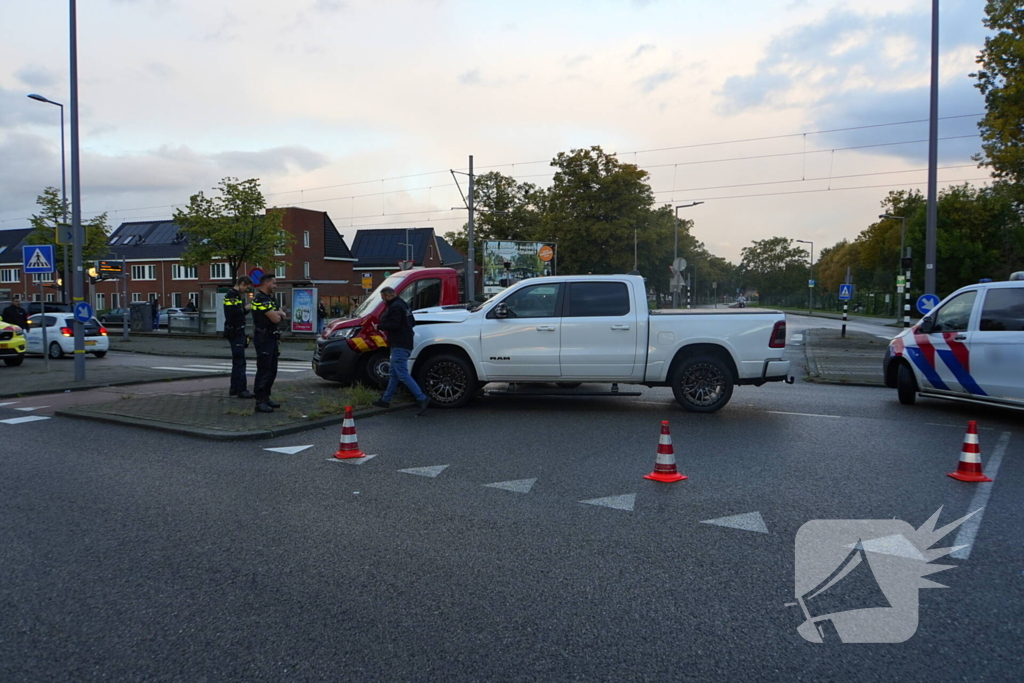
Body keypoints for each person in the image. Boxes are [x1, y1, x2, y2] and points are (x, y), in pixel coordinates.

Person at [372, 287, 430, 415]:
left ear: (387, 296)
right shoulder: (404, 304)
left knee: (402, 374)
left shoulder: (395, 307)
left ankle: (422, 398)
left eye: (383, 299)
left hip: (399, 344)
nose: (383, 301)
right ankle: (386, 400)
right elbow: (412, 322)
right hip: (406, 342)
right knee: (394, 373)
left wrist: (379, 326)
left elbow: (395, 324)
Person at [250, 274, 288, 413]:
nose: (276, 286)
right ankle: (259, 401)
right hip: (263, 338)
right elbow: (276, 319)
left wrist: (279, 313)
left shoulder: (270, 299)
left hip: (272, 338)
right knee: (264, 369)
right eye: (274, 283)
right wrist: (279, 313)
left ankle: (266, 397)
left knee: (272, 369)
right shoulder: (260, 299)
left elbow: (280, 314)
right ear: (266, 283)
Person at [223, 276, 253, 399]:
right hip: (235, 331)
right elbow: (233, 313)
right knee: (240, 361)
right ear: (241, 283)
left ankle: (234, 388)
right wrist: (247, 308)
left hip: (236, 330)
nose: (246, 290)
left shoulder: (234, 295)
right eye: (246, 287)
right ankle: (241, 389)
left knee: (237, 361)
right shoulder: (232, 295)